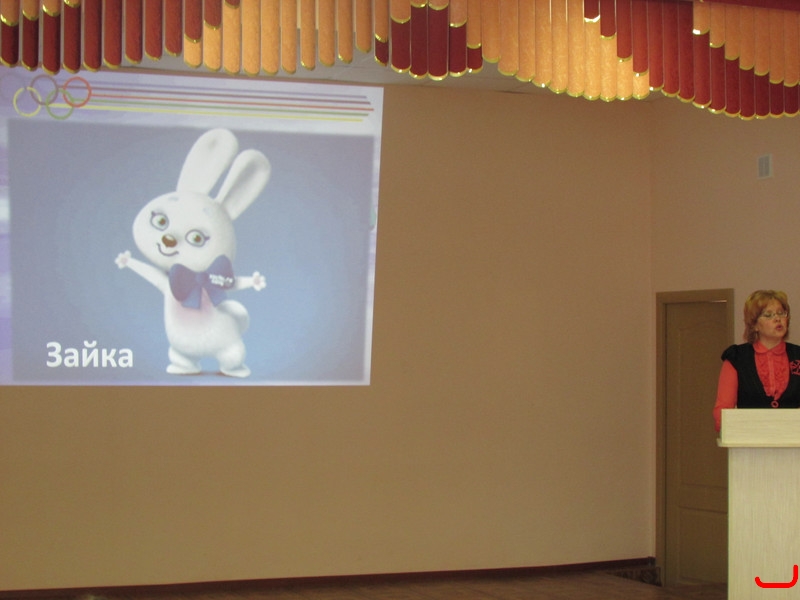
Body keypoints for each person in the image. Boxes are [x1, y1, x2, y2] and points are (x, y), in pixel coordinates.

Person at [713, 290, 800, 432]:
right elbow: (723, 410)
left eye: (781, 313)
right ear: (754, 325)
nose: (777, 319)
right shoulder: (737, 357)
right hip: (748, 439)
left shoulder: (798, 355)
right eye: (768, 315)